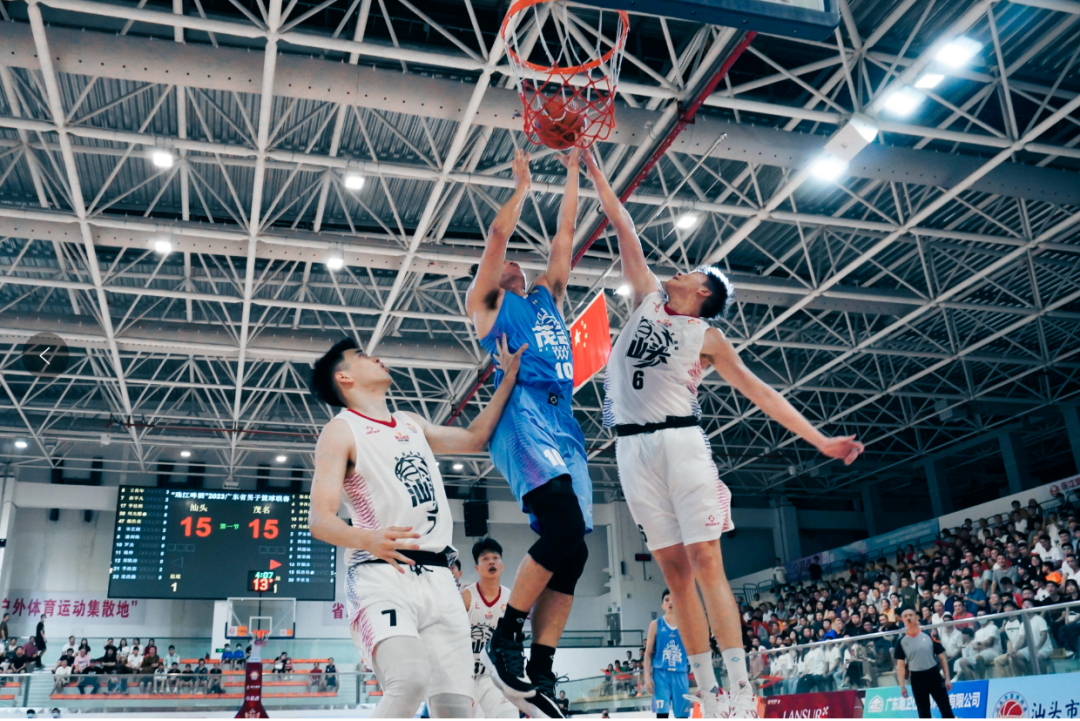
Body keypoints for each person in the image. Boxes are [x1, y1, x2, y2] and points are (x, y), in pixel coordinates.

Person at [584, 149, 864, 717]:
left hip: (681, 441)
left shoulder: (707, 338)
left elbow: (762, 393)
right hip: (630, 449)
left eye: (691, 272)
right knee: (674, 575)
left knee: (705, 558)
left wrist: (820, 440)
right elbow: (623, 224)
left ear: (702, 294)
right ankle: (709, 694)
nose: (680, 269)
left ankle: (740, 688)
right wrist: (590, 165)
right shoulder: (646, 298)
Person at [308, 332, 524, 719]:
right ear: (344, 377)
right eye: (362, 354)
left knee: (456, 709)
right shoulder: (340, 430)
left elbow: (474, 438)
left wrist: (507, 377)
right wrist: (366, 538)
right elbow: (319, 519)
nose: (375, 357)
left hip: (440, 578)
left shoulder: (410, 422)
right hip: (382, 572)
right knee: (408, 680)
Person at [466, 148, 588, 720]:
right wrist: (521, 186)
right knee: (562, 525)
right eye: (504, 263)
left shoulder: (545, 296)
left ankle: (541, 666)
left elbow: (566, 231)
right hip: (522, 413)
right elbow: (497, 234)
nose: (512, 261)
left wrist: (574, 169)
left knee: (575, 548)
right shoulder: (487, 306)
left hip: (565, 422)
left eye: (518, 260)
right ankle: (505, 634)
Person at [461, 538, 517, 718]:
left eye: (495, 558)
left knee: (509, 716)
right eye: (485, 558)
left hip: (494, 675)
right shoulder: (466, 597)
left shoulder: (511, 598)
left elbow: (513, 642)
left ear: (502, 566)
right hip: (464, 675)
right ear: (477, 568)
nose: (491, 561)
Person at [895, 608, 954, 718]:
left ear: (917, 617)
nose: (908, 617)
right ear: (902, 620)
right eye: (905, 616)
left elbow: (942, 657)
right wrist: (902, 686)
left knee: (946, 709)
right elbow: (901, 666)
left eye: (911, 615)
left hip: (934, 675)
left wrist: (947, 678)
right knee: (923, 713)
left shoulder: (929, 636)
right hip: (917, 679)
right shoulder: (901, 642)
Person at [644, 589, 690, 719]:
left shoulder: (686, 625)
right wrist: (647, 676)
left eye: (673, 600)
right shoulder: (655, 625)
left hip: (680, 673)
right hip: (661, 674)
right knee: (662, 714)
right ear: (662, 605)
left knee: (682, 715)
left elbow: (694, 652)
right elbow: (648, 653)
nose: (670, 603)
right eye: (667, 600)